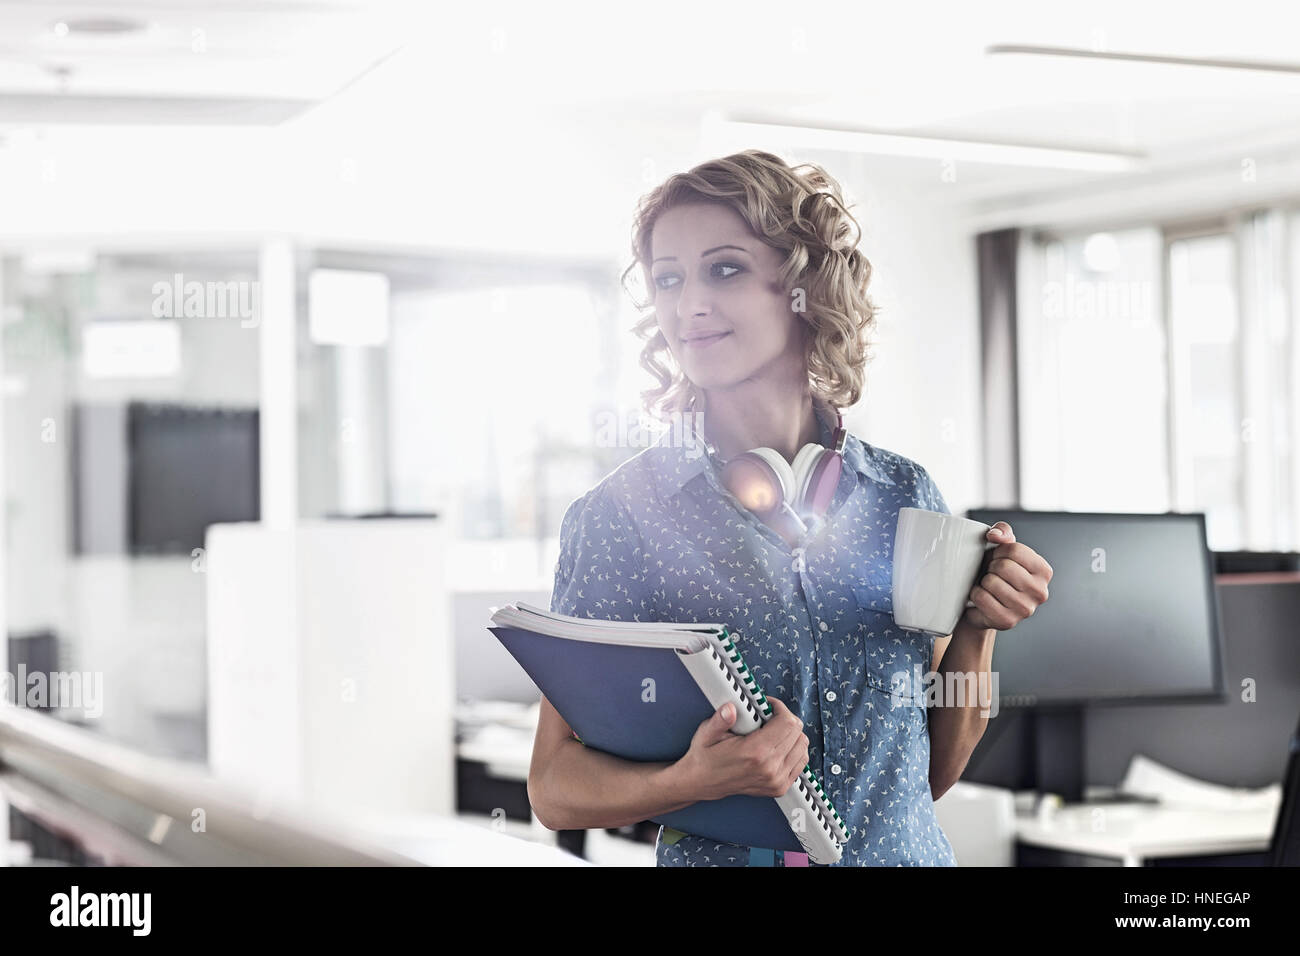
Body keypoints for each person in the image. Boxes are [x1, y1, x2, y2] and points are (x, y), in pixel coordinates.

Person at [527, 150, 1053, 866]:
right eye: (669, 278)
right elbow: (555, 785)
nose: (689, 305)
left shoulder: (905, 494)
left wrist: (976, 630)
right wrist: (689, 780)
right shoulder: (621, 517)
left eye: (725, 268)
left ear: (803, 284)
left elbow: (927, 777)